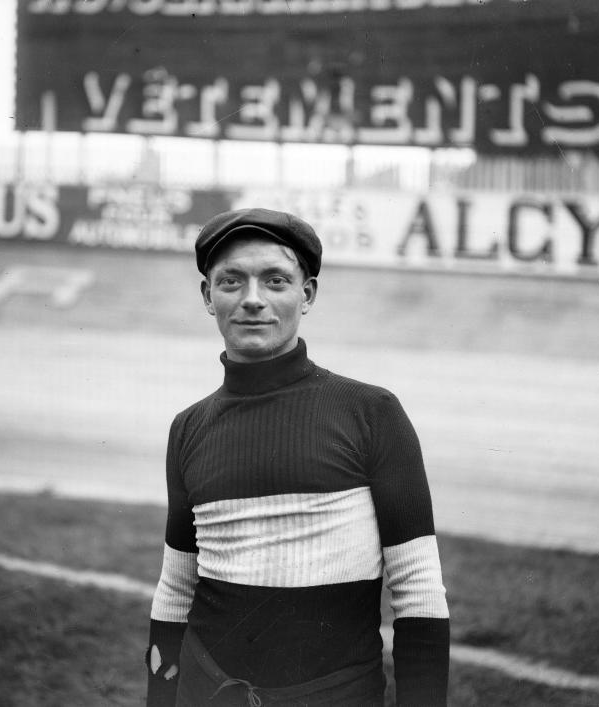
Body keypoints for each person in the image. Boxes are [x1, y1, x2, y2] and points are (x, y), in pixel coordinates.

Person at [145, 208, 450, 706]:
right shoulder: (188, 428)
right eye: (231, 281)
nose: (252, 300)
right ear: (208, 296)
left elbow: (418, 590)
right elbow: (176, 588)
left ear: (306, 294)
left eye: (275, 281)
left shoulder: (371, 412)